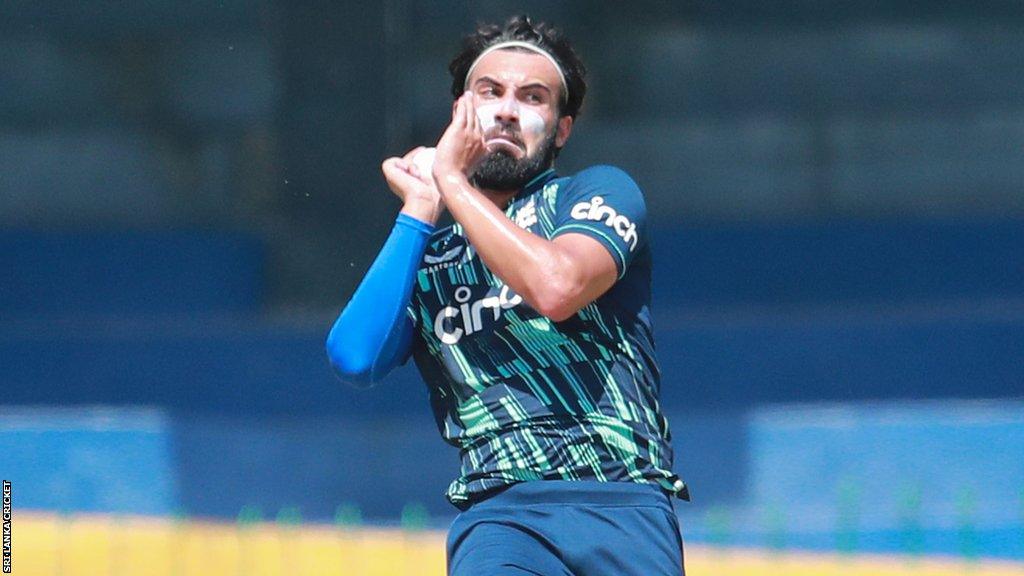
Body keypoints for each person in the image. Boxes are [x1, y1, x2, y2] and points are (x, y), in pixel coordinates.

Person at [326, 15, 687, 575]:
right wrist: (420, 209)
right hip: (501, 516)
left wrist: (450, 181)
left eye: (533, 97)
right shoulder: (429, 252)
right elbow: (355, 358)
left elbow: (557, 286)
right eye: (488, 92)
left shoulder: (596, 194)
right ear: (458, 115)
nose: (507, 110)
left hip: (621, 501)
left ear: (562, 129)